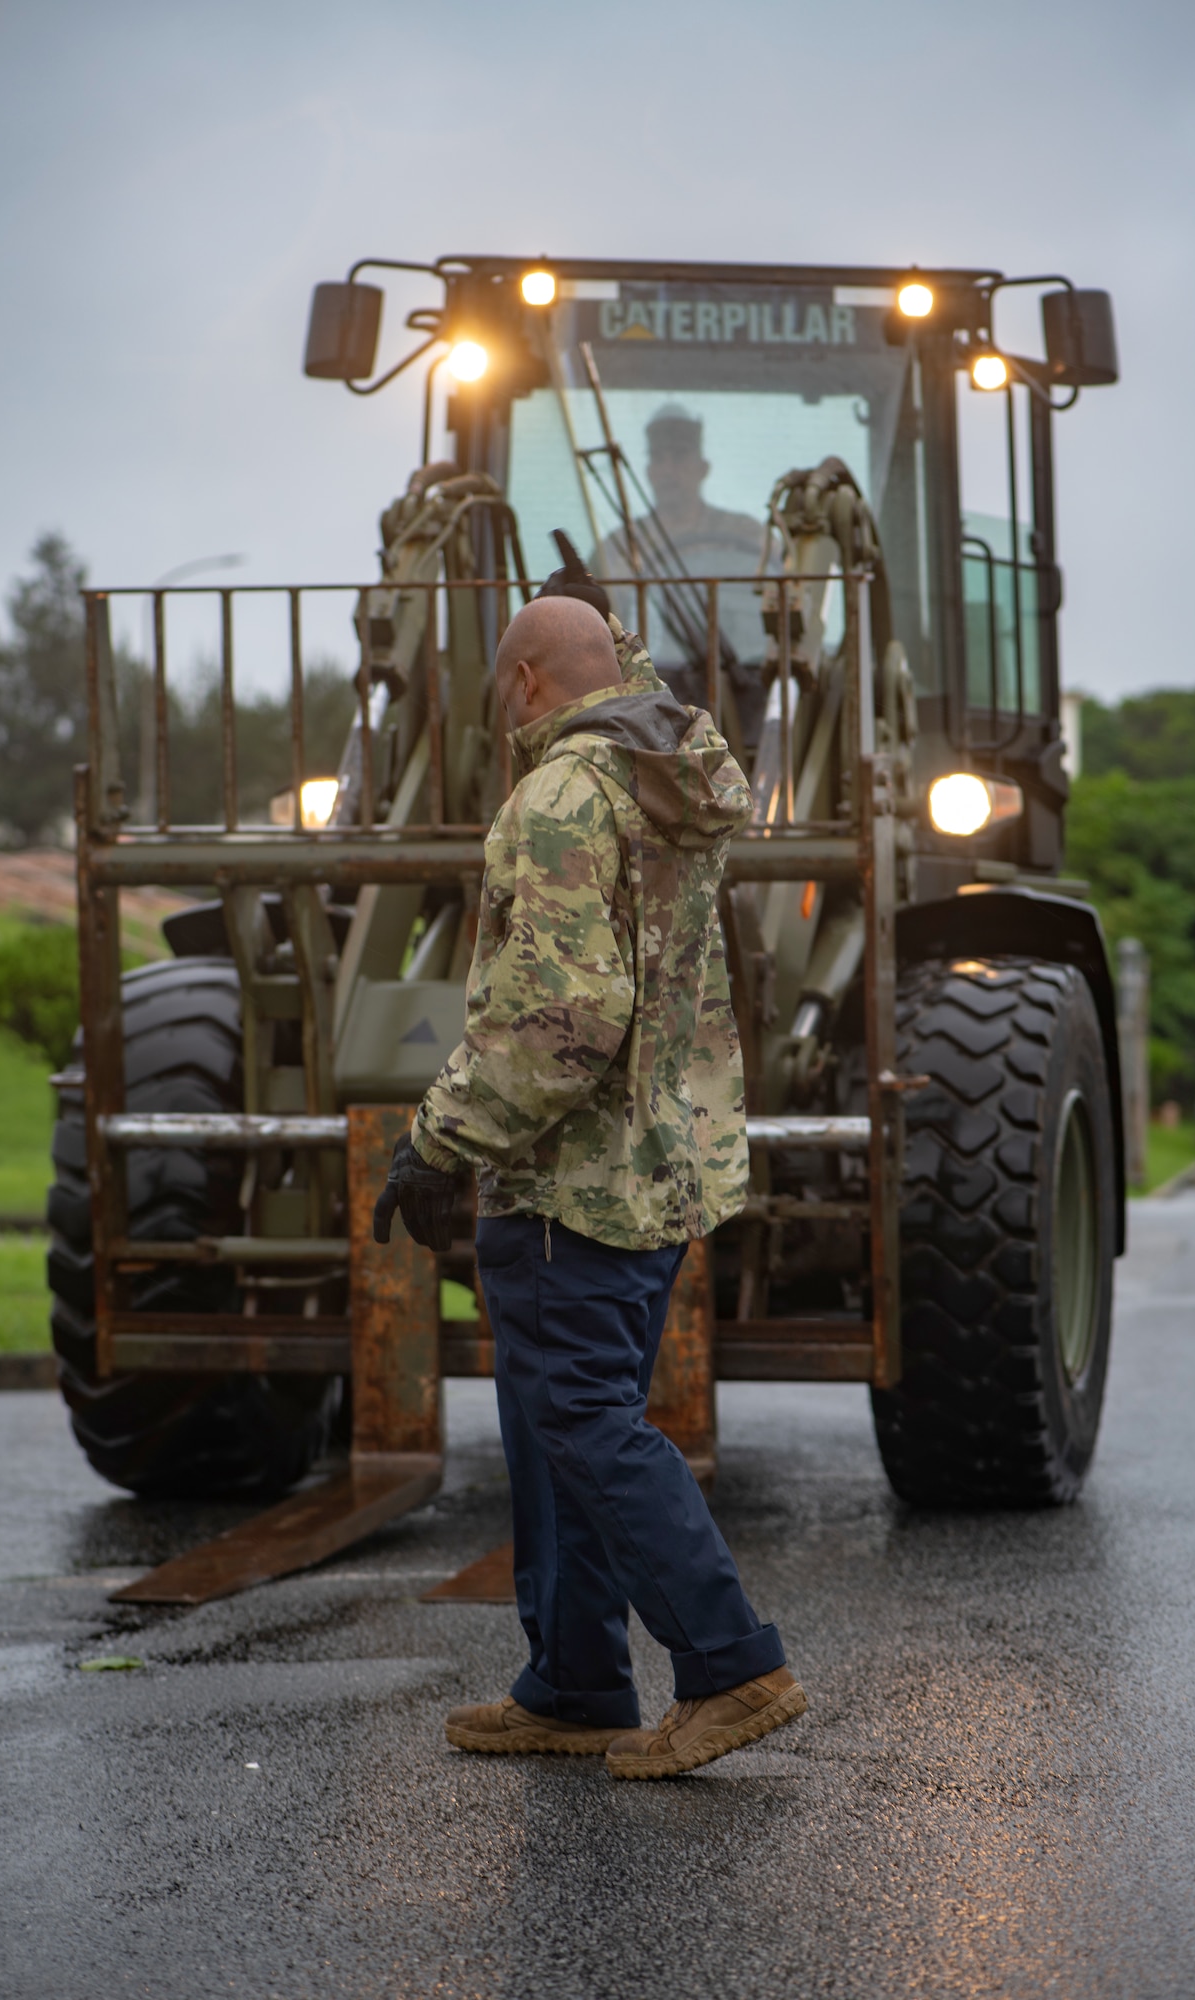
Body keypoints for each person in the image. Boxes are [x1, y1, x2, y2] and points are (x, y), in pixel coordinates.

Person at [373, 566, 806, 1780]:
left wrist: (438, 1140)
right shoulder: (668, 781)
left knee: (583, 1420)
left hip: (573, 1181)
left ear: (523, 679)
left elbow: (563, 1016)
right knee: (550, 1420)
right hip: (659, 1162)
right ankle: (574, 1681)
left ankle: (732, 1664)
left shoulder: (560, 796)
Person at [594, 403, 770, 727]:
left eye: (679, 457)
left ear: (702, 467)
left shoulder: (746, 537)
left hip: (746, 693)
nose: (668, 469)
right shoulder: (618, 549)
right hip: (641, 704)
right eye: (658, 459)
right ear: (648, 470)